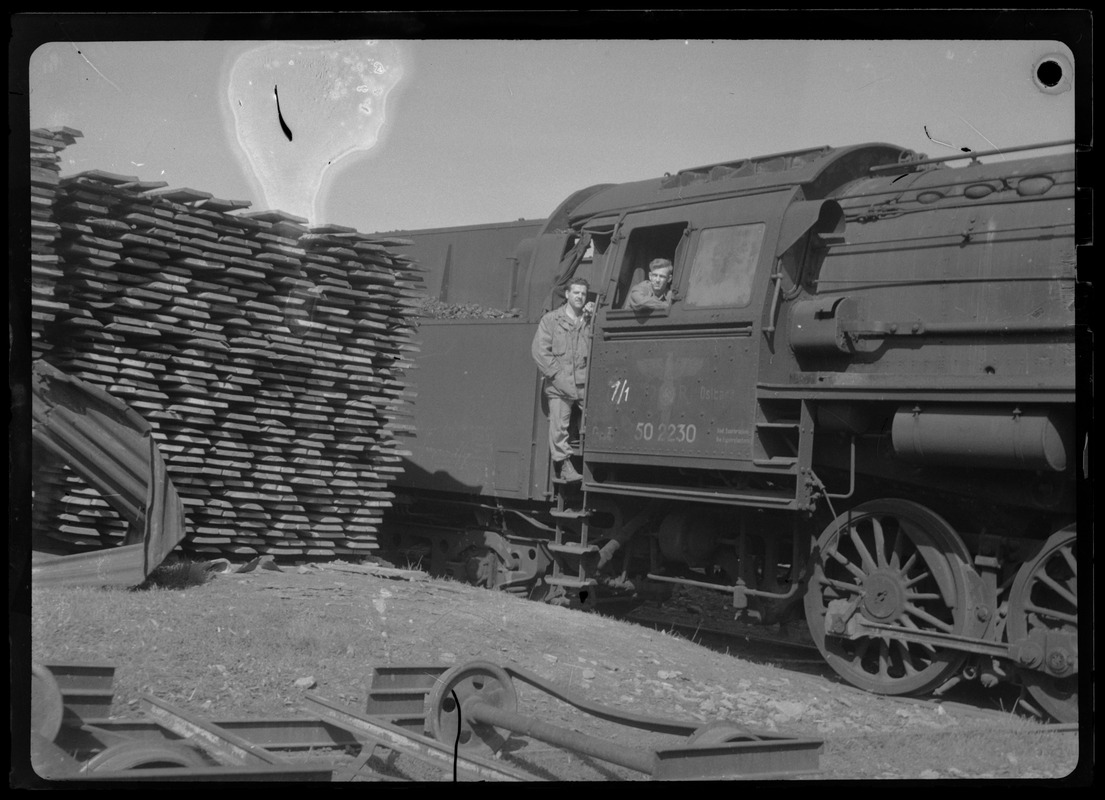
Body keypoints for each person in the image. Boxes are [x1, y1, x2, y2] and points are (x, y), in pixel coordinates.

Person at [531, 278, 594, 483]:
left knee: (597, 418)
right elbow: (540, 351)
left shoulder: (588, 320)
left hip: (583, 383)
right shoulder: (551, 320)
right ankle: (564, 465)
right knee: (558, 426)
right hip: (559, 383)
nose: (579, 297)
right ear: (567, 294)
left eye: (583, 294)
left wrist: (593, 315)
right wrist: (557, 375)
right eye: (576, 292)